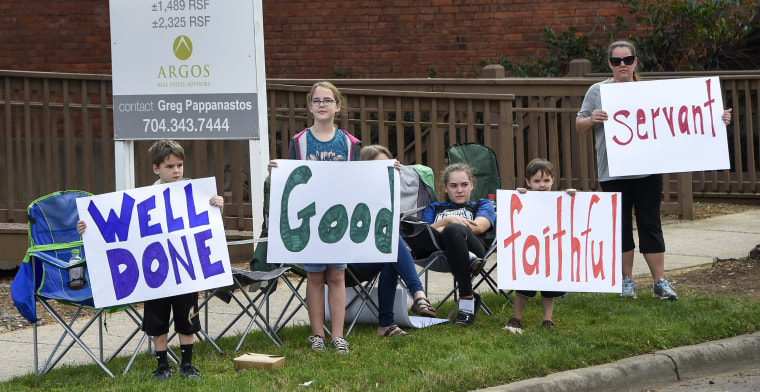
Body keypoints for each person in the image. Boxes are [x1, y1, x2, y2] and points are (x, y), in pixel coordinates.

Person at [576, 40, 732, 301]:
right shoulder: (597, 91)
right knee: (622, 226)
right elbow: (579, 124)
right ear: (609, 64)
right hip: (612, 172)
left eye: (627, 60)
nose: (622, 65)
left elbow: (686, 116)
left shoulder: (649, 91)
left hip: (648, 171)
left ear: (635, 62)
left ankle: (660, 282)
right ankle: (627, 282)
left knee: (651, 223)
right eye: (616, 61)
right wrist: (592, 118)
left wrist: (718, 119)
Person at [77, 139, 224, 381]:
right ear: (156, 168)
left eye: (179, 165)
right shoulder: (144, 199)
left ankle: (187, 365)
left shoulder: (196, 194)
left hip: (185, 273)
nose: (176, 170)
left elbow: (209, 224)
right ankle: (163, 366)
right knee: (157, 322)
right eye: (170, 166)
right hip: (155, 274)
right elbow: (122, 229)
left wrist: (218, 206)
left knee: (188, 320)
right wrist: (88, 228)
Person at [267, 81, 357, 352]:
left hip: (338, 218)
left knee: (337, 276)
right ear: (310, 106)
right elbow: (293, 179)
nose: (321, 105)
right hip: (311, 217)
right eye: (316, 101)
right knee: (315, 277)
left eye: (327, 100)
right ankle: (317, 334)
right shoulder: (300, 141)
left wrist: (389, 169)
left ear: (337, 106)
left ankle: (338, 335)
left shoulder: (351, 143)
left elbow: (360, 179)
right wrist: (278, 171)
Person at [350, 144, 437, 338]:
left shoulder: (388, 197)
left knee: (390, 252)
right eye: (377, 167)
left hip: (377, 256)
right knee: (390, 240)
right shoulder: (352, 193)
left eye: (386, 166)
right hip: (350, 262)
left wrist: (393, 182)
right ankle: (418, 294)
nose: (383, 172)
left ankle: (386, 325)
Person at [414, 163, 496, 326]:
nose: (459, 190)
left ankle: (466, 299)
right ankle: (468, 266)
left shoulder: (481, 204)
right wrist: (448, 219)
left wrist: (446, 227)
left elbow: (478, 227)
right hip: (436, 255)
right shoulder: (434, 207)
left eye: (464, 185)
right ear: (445, 188)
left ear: (471, 185)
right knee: (446, 227)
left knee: (452, 231)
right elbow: (422, 234)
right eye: (453, 186)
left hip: (474, 248)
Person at [506, 158, 574, 333]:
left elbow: (571, 211)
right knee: (523, 286)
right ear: (528, 182)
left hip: (550, 251)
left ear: (553, 180)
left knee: (549, 287)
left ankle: (547, 319)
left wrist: (570, 195)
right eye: (536, 181)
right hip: (528, 251)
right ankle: (516, 317)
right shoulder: (524, 198)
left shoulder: (560, 199)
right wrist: (518, 194)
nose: (542, 185)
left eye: (546, 181)